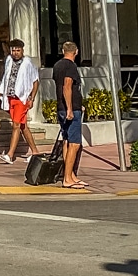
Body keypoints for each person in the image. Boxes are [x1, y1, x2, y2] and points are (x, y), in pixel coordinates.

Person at [0, 37, 38, 164]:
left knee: (16, 125)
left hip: (22, 98)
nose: (15, 53)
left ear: (22, 50)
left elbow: (35, 81)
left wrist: (32, 98)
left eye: (18, 50)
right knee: (23, 126)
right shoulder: (9, 60)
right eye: (13, 50)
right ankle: (35, 152)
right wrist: (0, 91)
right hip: (10, 97)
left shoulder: (27, 63)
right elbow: (6, 77)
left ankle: (10, 154)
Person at [54, 40, 85, 189]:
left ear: (62, 50)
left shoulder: (57, 65)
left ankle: (71, 174)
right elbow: (67, 86)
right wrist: (70, 109)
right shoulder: (70, 66)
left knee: (66, 141)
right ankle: (67, 178)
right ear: (76, 52)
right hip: (69, 109)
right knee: (75, 143)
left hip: (62, 107)